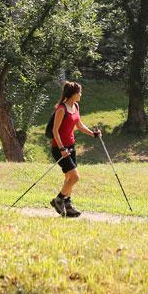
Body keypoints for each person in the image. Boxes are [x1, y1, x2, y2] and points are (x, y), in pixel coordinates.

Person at [49, 80, 101, 217]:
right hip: (59, 148)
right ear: (73, 94)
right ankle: (59, 200)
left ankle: (67, 204)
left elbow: (79, 125)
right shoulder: (61, 109)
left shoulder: (75, 106)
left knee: (69, 177)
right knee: (75, 177)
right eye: (79, 92)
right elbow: (55, 131)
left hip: (70, 147)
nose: (81, 94)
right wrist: (61, 149)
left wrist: (93, 134)